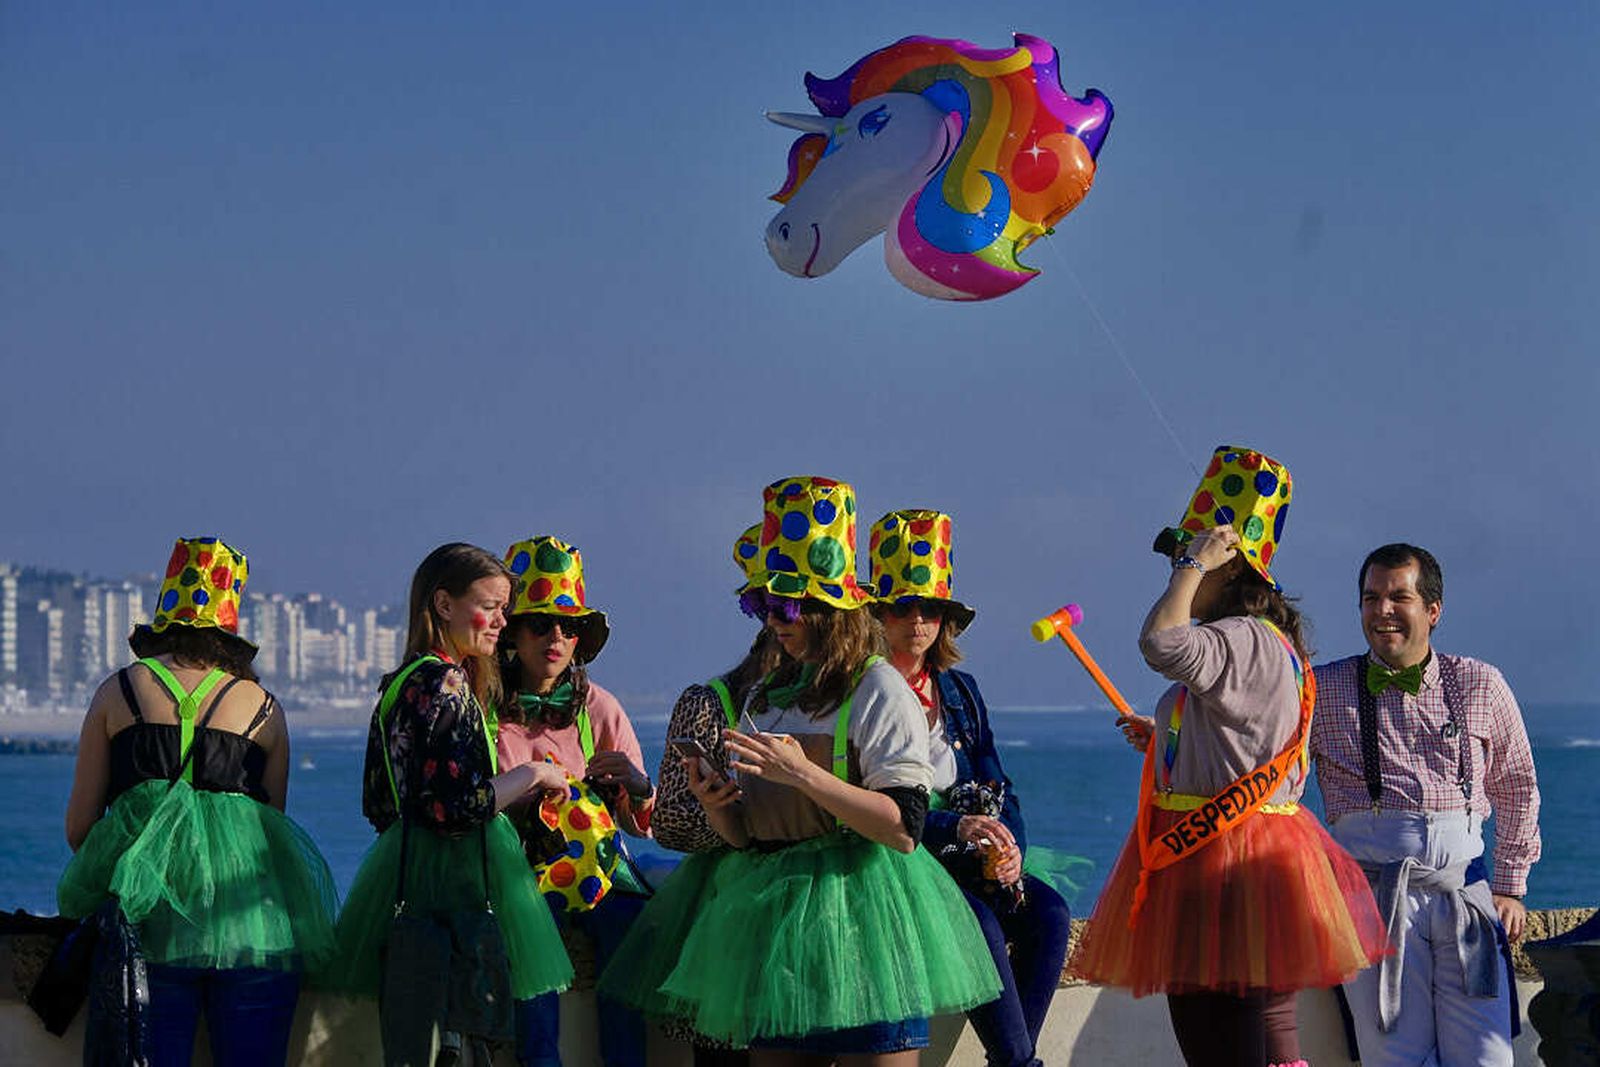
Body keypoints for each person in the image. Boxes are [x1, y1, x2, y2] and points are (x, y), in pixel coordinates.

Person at [600, 476, 1000, 1064]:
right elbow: (751, 836)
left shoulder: (878, 689)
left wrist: (804, 774)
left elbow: (903, 828)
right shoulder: (768, 692)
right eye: (764, 604)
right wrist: (718, 805)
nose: (775, 619)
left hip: (863, 925)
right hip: (775, 930)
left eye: (789, 605)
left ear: (831, 609)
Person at [1069, 447, 1387, 1067]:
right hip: (1251, 855)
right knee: (1263, 1032)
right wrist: (1167, 739)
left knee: (1225, 1037)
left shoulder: (1241, 638)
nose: (1177, 567)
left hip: (1227, 862)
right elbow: (1245, 739)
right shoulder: (1267, 645)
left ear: (1228, 564)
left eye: (1189, 556)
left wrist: (1191, 563)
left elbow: (1161, 640)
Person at [58, 537, 338, 1067]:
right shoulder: (263, 708)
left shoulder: (117, 692)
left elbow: (79, 829)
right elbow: (269, 827)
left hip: (148, 927)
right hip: (251, 926)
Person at [329, 542, 573, 1065]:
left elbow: (379, 800)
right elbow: (454, 808)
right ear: (443, 604)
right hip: (453, 889)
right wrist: (534, 774)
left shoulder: (400, 684)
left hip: (404, 875)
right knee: (460, 1037)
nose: (502, 622)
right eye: (492, 606)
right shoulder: (445, 682)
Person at [1310, 543, 1540, 1067]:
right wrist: (1174, 738)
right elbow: (1271, 768)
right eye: (1371, 598)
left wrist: (1510, 885)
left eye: (1398, 597)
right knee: (1393, 1057)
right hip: (1371, 904)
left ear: (1432, 611)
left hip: (1465, 895)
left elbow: (1517, 784)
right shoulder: (1323, 689)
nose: (1382, 610)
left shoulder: (1479, 682)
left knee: (1487, 1057)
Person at [869, 509, 1072, 1067]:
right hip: (907, 854)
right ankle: (1018, 1062)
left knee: (1050, 914)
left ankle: (1014, 1059)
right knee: (975, 924)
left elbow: (996, 780)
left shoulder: (960, 690)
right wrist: (951, 825)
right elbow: (877, 798)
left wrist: (1011, 851)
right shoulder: (864, 690)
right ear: (877, 615)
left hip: (968, 851)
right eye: (903, 608)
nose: (918, 621)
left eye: (930, 608)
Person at [496, 535, 654, 1067]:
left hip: (599, 875)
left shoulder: (599, 708)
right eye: (540, 624)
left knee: (631, 936)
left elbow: (641, 825)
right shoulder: (486, 709)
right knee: (530, 965)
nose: (556, 637)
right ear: (512, 633)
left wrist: (635, 783)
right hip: (518, 877)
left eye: (569, 626)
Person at [649, 524, 775, 1067]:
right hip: (727, 915)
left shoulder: (841, 705)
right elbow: (668, 822)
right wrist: (729, 816)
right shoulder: (710, 703)